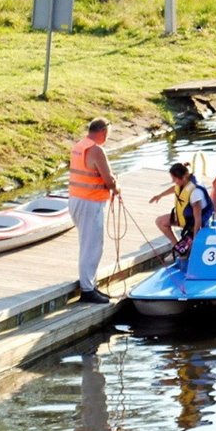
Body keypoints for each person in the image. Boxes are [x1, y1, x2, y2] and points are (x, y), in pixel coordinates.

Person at [69, 117, 120, 305]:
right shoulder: (97, 150)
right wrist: (116, 186)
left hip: (76, 199)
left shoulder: (79, 145)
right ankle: (88, 290)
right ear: (103, 132)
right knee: (92, 247)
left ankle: (90, 283)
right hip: (90, 202)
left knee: (87, 244)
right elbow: (109, 180)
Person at [150, 162, 213, 258]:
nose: (173, 181)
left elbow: (198, 219)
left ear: (183, 177)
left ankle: (188, 249)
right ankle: (178, 248)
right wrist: (160, 195)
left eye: (174, 179)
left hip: (198, 223)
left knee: (191, 251)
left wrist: (196, 239)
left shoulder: (195, 193)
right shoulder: (184, 182)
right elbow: (175, 188)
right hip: (186, 219)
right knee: (160, 221)